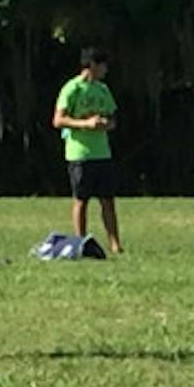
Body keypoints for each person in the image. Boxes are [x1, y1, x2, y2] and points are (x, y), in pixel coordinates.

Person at [53, 46, 123, 253]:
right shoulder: (72, 88)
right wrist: (85, 125)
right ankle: (80, 243)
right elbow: (58, 119)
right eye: (102, 65)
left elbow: (113, 119)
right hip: (79, 153)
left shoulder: (103, 90)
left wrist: (105, 124)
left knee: (108, 200)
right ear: (92, 65)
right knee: (81, 200)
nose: (106, 70)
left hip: (102, 152)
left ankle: (115, 243)